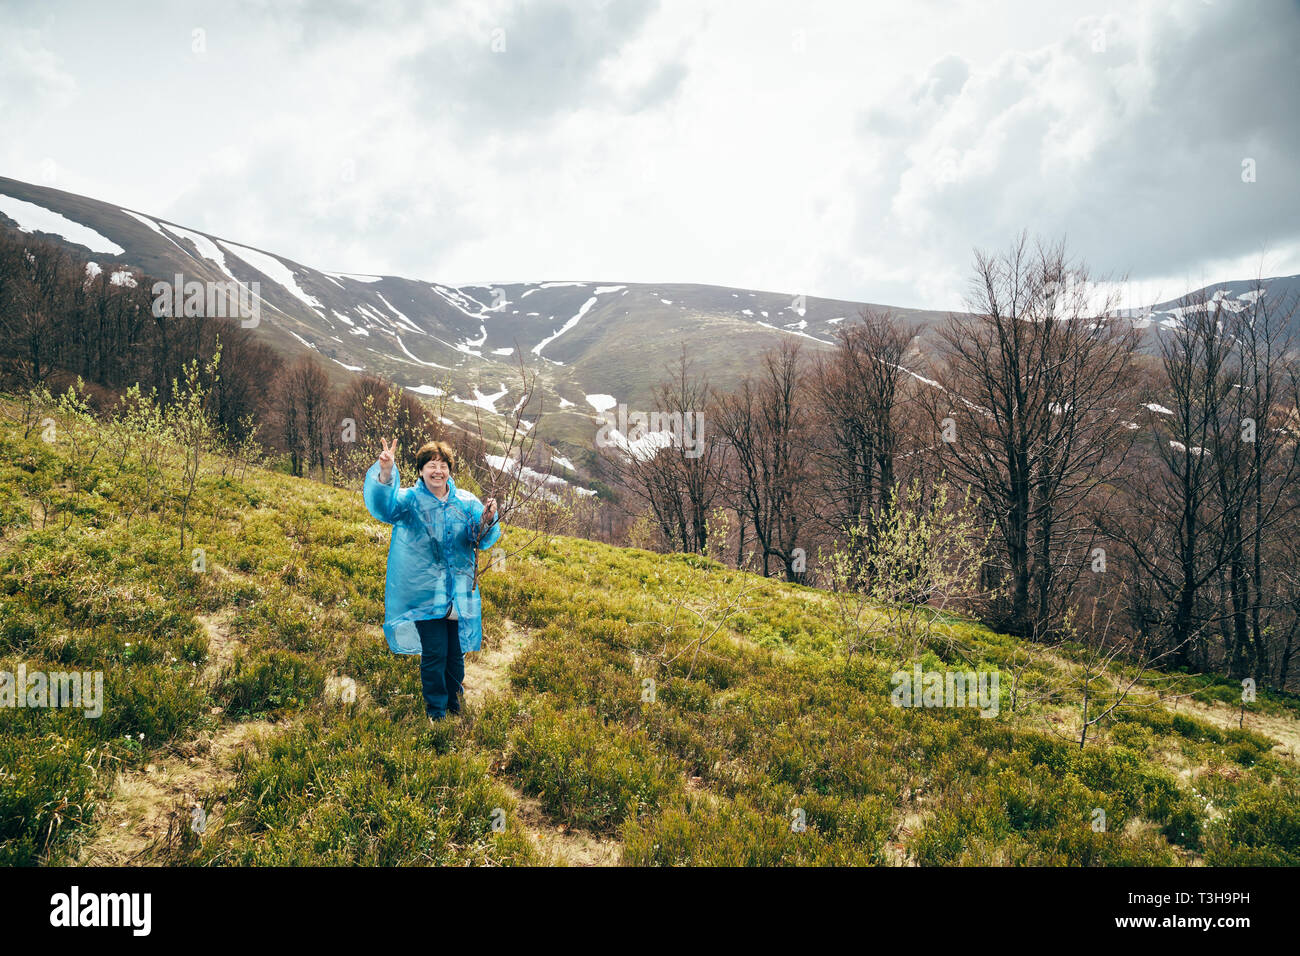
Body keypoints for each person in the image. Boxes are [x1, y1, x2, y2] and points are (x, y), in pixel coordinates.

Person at [362, 437, 500, 723]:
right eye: (430, 466)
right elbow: (385, 508)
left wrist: (488, 518)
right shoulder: (410, 500)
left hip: (458, 592)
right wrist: (386, 472)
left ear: (450, 470)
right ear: (421, 470)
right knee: (435, 653)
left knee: (455, 653)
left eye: (443, 466)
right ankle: (436, 712)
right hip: (424, 592)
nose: (437, 471)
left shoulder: (466, 502)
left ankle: (455, 704)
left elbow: (479, 539)